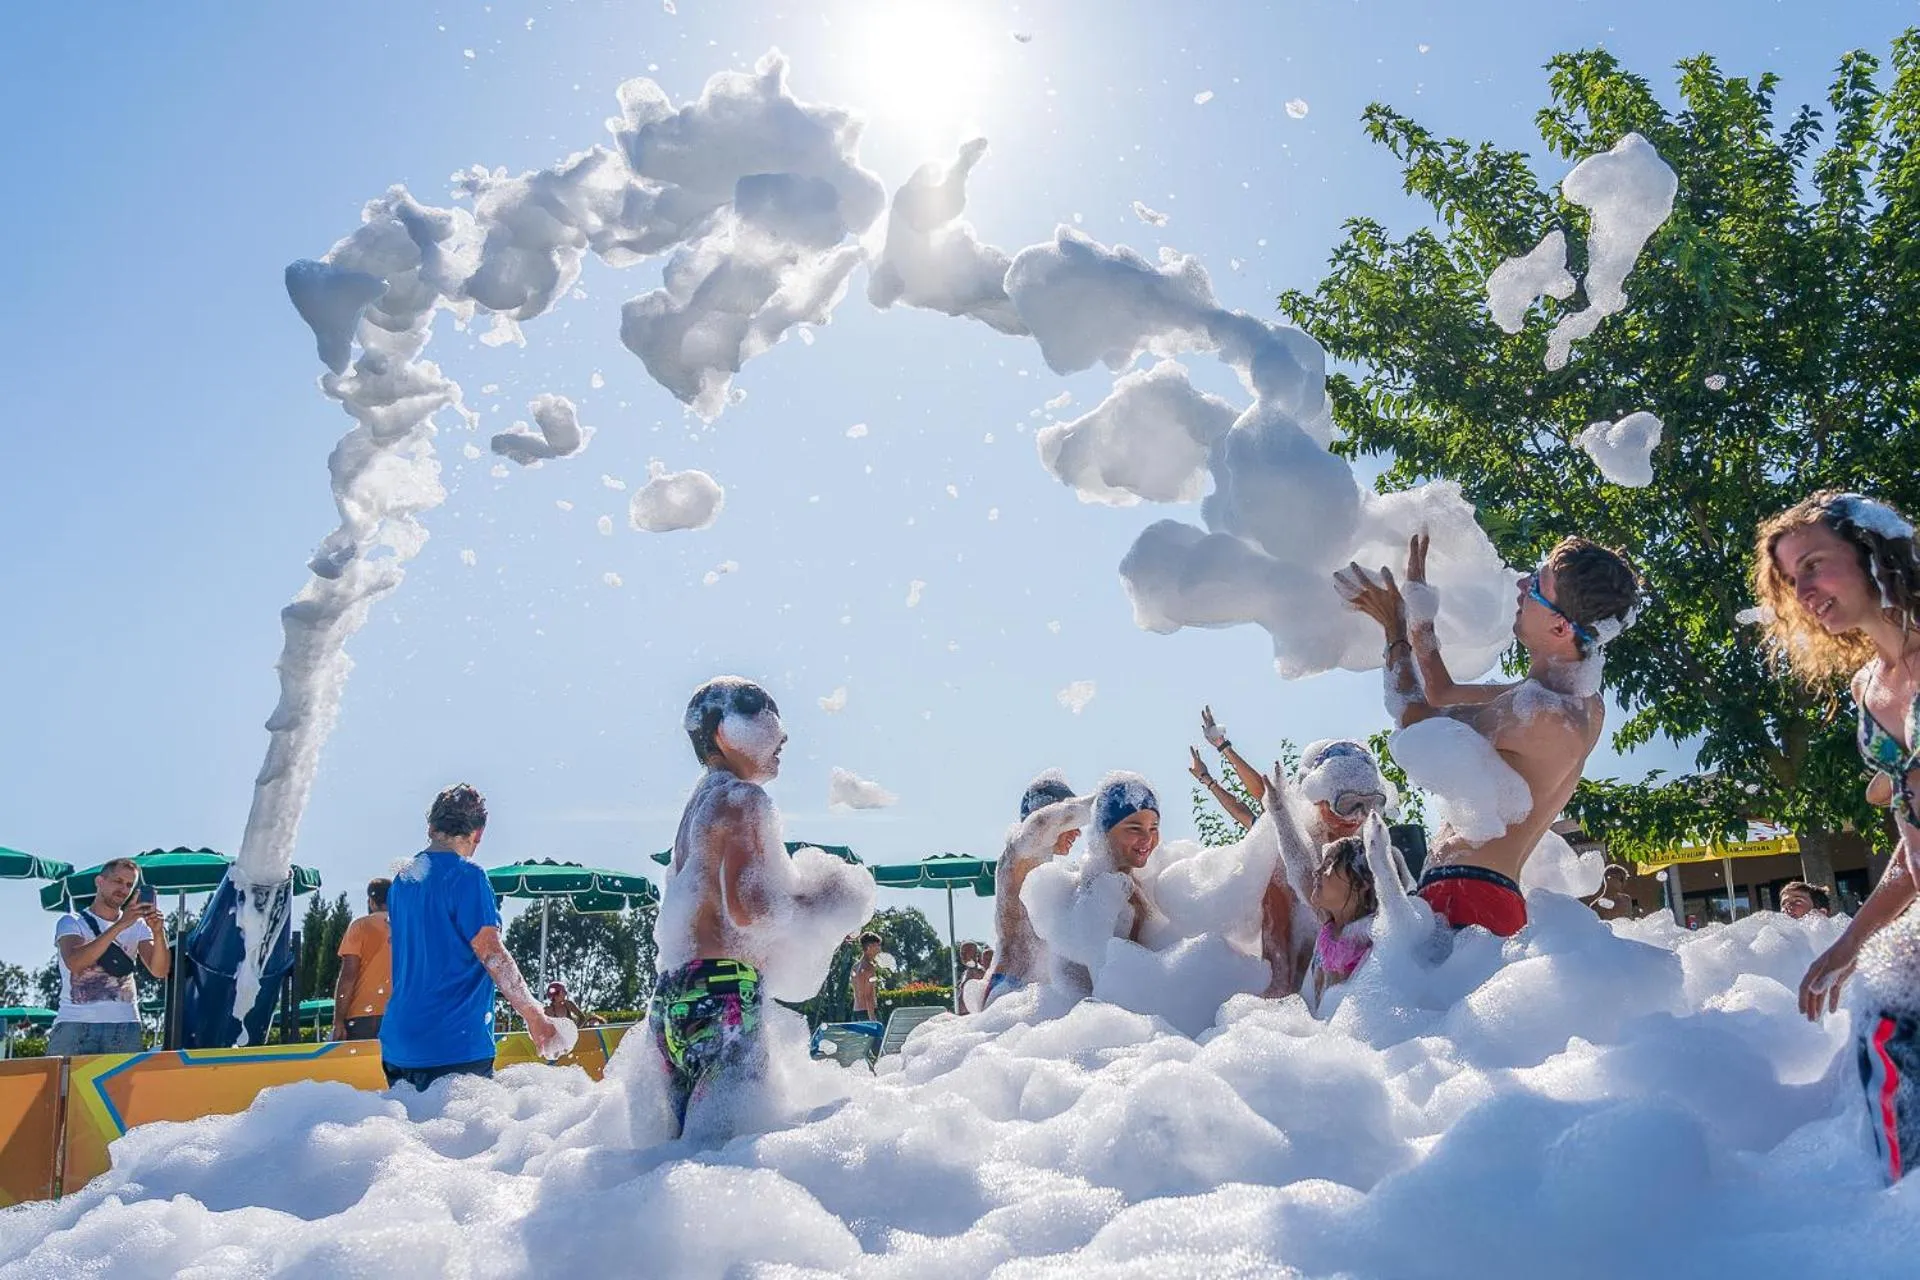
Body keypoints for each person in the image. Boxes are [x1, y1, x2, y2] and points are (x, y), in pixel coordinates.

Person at [1337, 531, 1640, 937]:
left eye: (1536, 586)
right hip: (1476, 893)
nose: (1521, 585)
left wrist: (1393, 627)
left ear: (1561, 627)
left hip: (1470, 897)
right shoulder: (1565, 699)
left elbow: (1416, 721)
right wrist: (1419, 611)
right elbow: (1442, 692)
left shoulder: (1544, 716)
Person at [1752, 492, 1920, 1181]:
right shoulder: (1867, 690)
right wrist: (1853, 941)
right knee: (1886, 1034)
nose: (1806, 591)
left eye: (1816, 565)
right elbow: (1912, 852)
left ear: (1876, 555)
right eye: (1793, 580)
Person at [653, 676, 872, 1139]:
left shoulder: (698, 804)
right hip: (724, 995)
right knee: (726, 1162)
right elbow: (751, 911)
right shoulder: (743, 800)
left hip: (674, 995)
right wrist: (823, 902)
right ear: (725, 733)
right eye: (766, 716)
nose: (782, 735)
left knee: (674, 1161)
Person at [380, 785, 562, 1091]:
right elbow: (491, 953)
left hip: (399, 1043)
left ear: (431, 828)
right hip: (453, 1043)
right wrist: (534, 1014)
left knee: (410, 1137)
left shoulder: (403, 880)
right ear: (478, 833)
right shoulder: (467, 876)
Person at [1260, 740, 1399, 996]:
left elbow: (1401, 910)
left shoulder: (1375, 927)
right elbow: (1301, 870)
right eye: (1346, 803)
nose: (1356, 816)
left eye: (1368, 804)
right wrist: (1280, 811)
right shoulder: (1330, 920)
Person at [985, 771, 1089, 1005]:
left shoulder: (1047, 873)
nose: (1078, 831)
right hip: (1010, 989)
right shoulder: (1017, 854)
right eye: (1070, 822)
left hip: (1030, 995)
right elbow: (1042, 822)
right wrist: (1109, 798)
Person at [49, 858, 169, 1057]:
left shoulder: (138, 926)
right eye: (118, 881)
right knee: (64, 1088)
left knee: (121, 1089)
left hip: (126, 1024)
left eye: (130, 885)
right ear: (99, 881)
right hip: (75, 1022)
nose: (123, 889)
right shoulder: (71, 921)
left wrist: (158, 932)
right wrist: (121, 925)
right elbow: (75, 962)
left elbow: (160, 970)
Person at [1302, 836, 1381, 1013]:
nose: (1317, 872)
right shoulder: (1327, 933)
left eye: (1328, 864)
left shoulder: (1377, 936)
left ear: (1363, 883)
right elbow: (1296, 864)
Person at [1188, 706, 1270, 830]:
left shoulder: (1294, 818)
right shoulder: (1267, 833)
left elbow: (1266, 797)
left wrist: (1224, 748)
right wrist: (1207, 779)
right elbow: (1244, 814)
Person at [331, 878, 392, 1042]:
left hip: (363, 1016)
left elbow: (348, 975)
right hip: (402, 1013)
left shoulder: (360, 926)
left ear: (371, 901)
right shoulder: (409, 926)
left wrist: (338, 1021)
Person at [851, 933, 882, 1021]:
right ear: (869, 947)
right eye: (877, 946)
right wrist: (872, 1018)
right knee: (879, 1035)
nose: (879, 950)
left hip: (857, 1012)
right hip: (868, 1013)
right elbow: (868, 995)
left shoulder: (855, 967)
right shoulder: (869, 967)